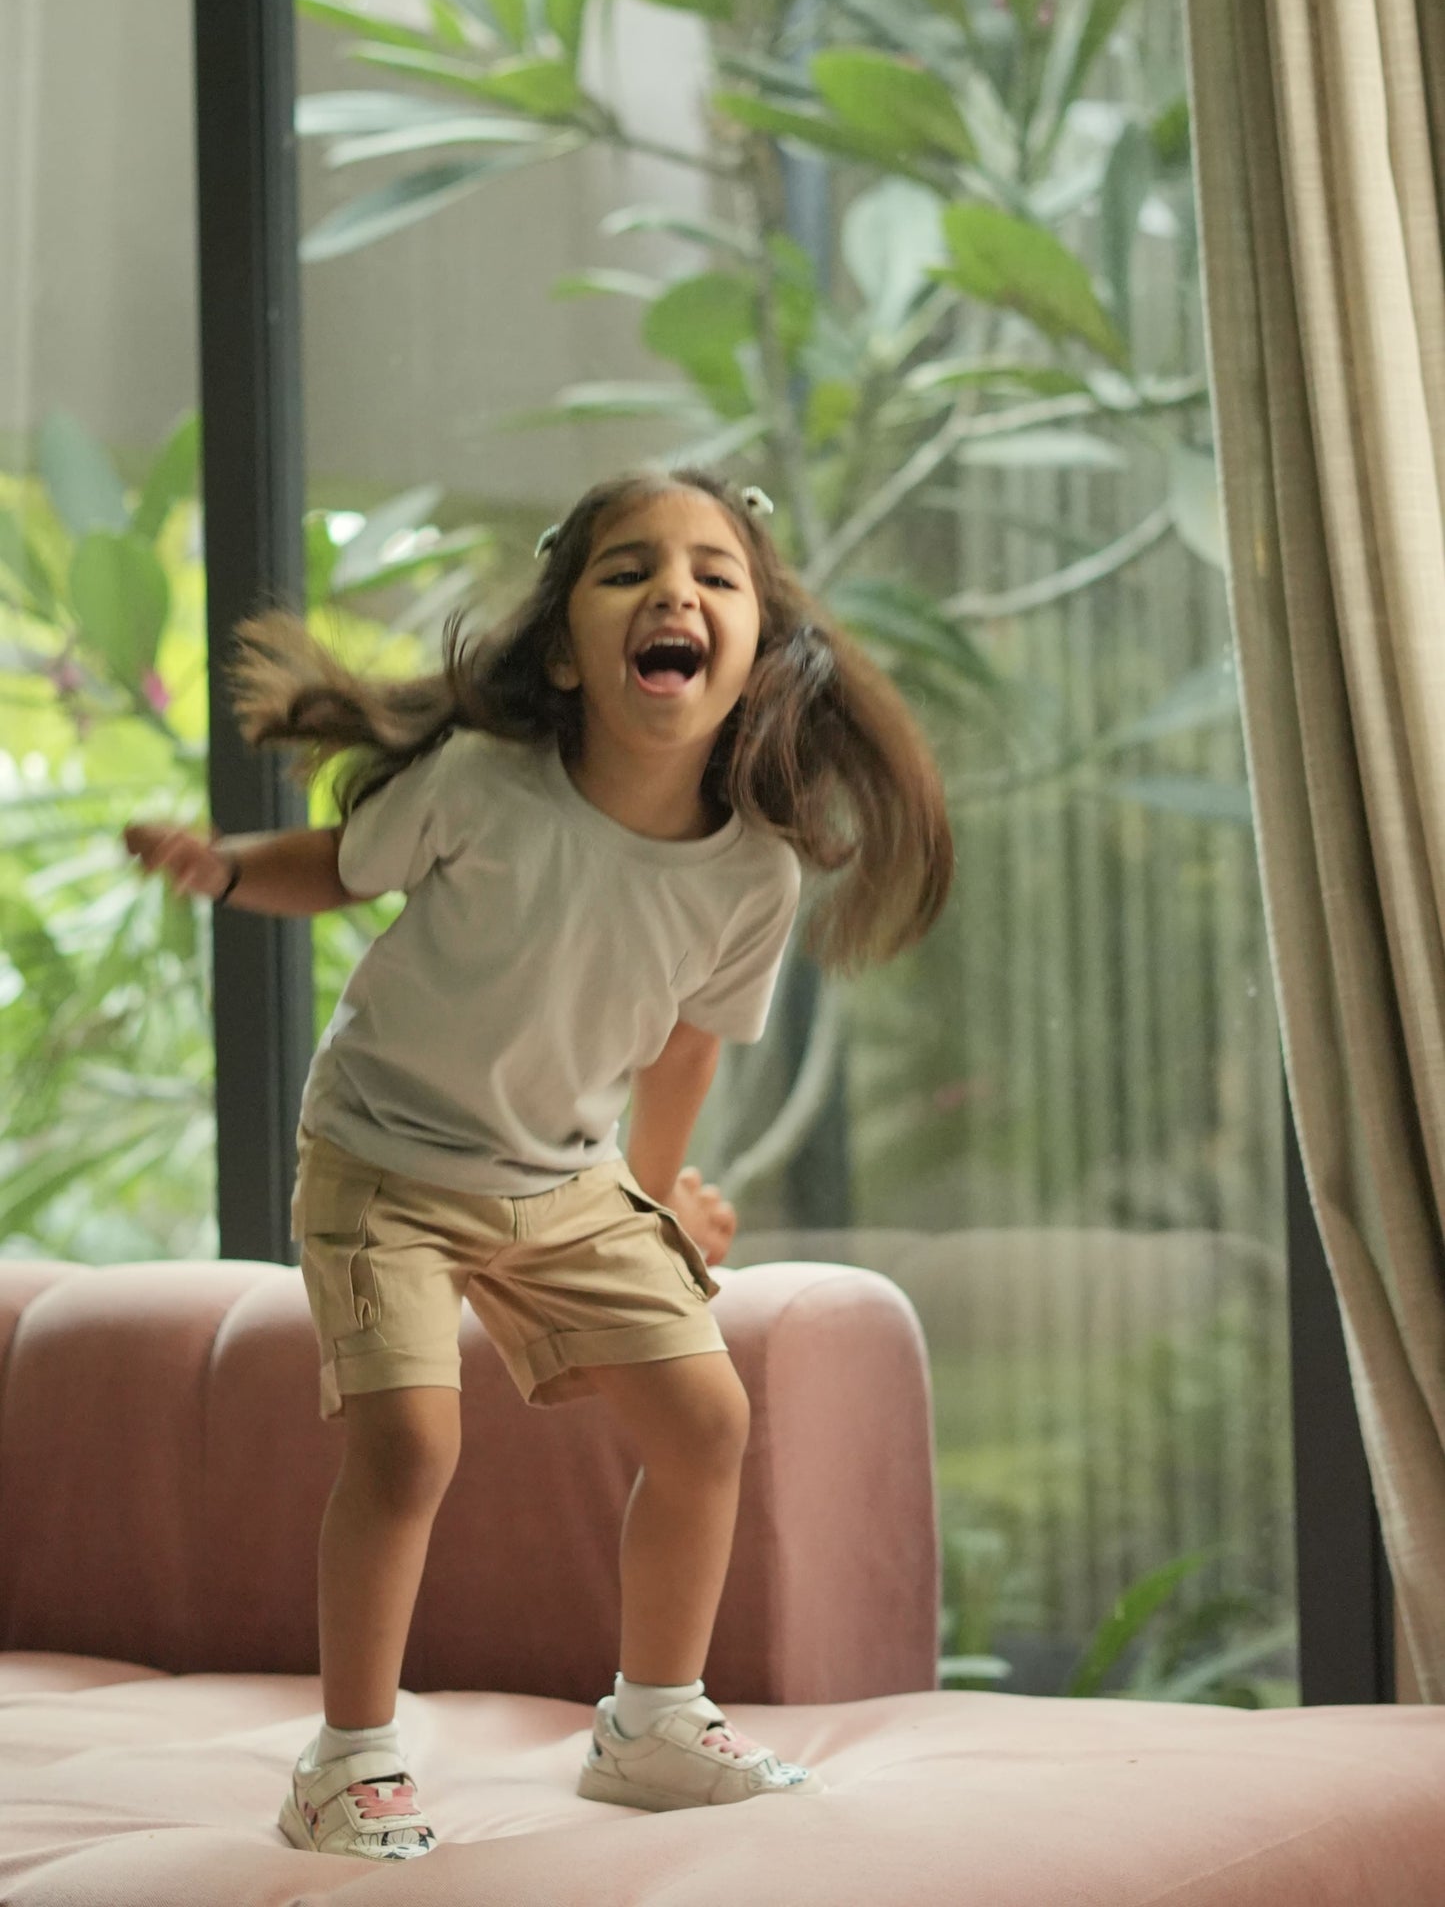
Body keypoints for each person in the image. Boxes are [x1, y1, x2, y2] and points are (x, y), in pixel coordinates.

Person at [123, 465, 953, 1860]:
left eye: (713, 574)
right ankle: (346, 1761)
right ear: (567, 652)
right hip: (382, 1158)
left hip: (562, 1181)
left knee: (705, 1424)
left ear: (754, 658)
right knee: (409, 1442)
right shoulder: (482, 783)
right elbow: (337, 867)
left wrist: (656, 1195)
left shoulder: (753, 873)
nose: (671, 591)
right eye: (625, 569)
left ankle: (646, 1725)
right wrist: (220, 872)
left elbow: (685, 1051)